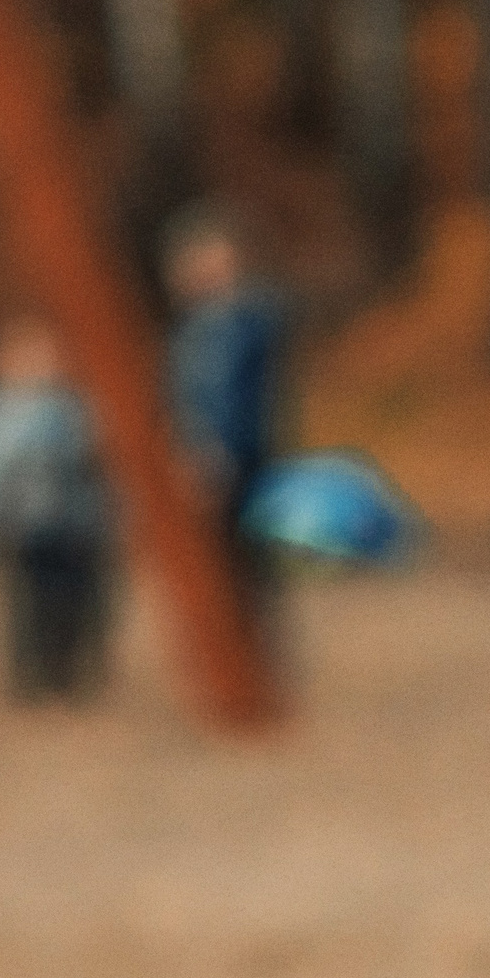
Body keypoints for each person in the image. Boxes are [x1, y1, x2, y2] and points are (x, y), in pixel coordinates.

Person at [0, 314, 113, 700]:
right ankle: (32, 677)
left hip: (72, 524)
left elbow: (97, 465)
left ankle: (71, 674)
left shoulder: (72, 409)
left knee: (73, 601)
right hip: (19, 527)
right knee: (26, 604)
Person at [162, 202, 289, 654]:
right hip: (200, 455)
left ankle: (254, 654)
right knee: (212, 560)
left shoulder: (247, 323)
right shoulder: (189, 332)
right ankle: (225, 648)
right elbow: (179, 400)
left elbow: (240, 400)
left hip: (243, 457)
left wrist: (222, 453)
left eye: (216, 260)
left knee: (248, 559)